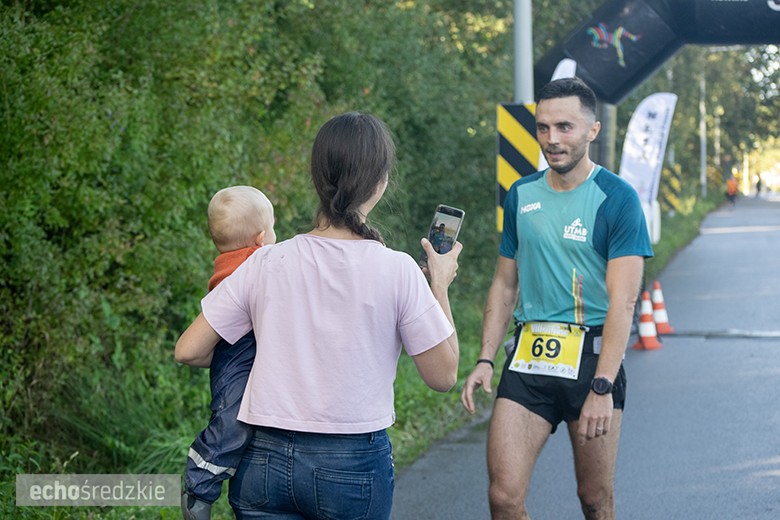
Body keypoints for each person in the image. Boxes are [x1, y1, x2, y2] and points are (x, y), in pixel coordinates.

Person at [175, 112, 462, 520]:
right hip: (351, 466)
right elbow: (444, 375)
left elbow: (189, 350)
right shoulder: (397, 270)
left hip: (262, 462)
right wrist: (439, 285)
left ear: (317, 178)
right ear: (379, 183)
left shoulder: (266, 261)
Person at [461, 77, 653, 520]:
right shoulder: (522, 194)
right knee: (504, 497)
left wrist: (603, 385)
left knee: (594, 498)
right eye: (543, 128)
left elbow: (624, 301)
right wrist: (486, 359)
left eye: (564, 127)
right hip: (529, 357)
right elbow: (505, 284)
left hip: (592, 361)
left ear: (592, 130)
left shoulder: (617, 199)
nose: (551, 139)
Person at [182, 186, 277, 520]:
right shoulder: (256, 262)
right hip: (238, 354)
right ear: (262, 237)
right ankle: (199, 480)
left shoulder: (226, 264)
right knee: (230, 423)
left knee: (237, 420)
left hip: (232, 351)